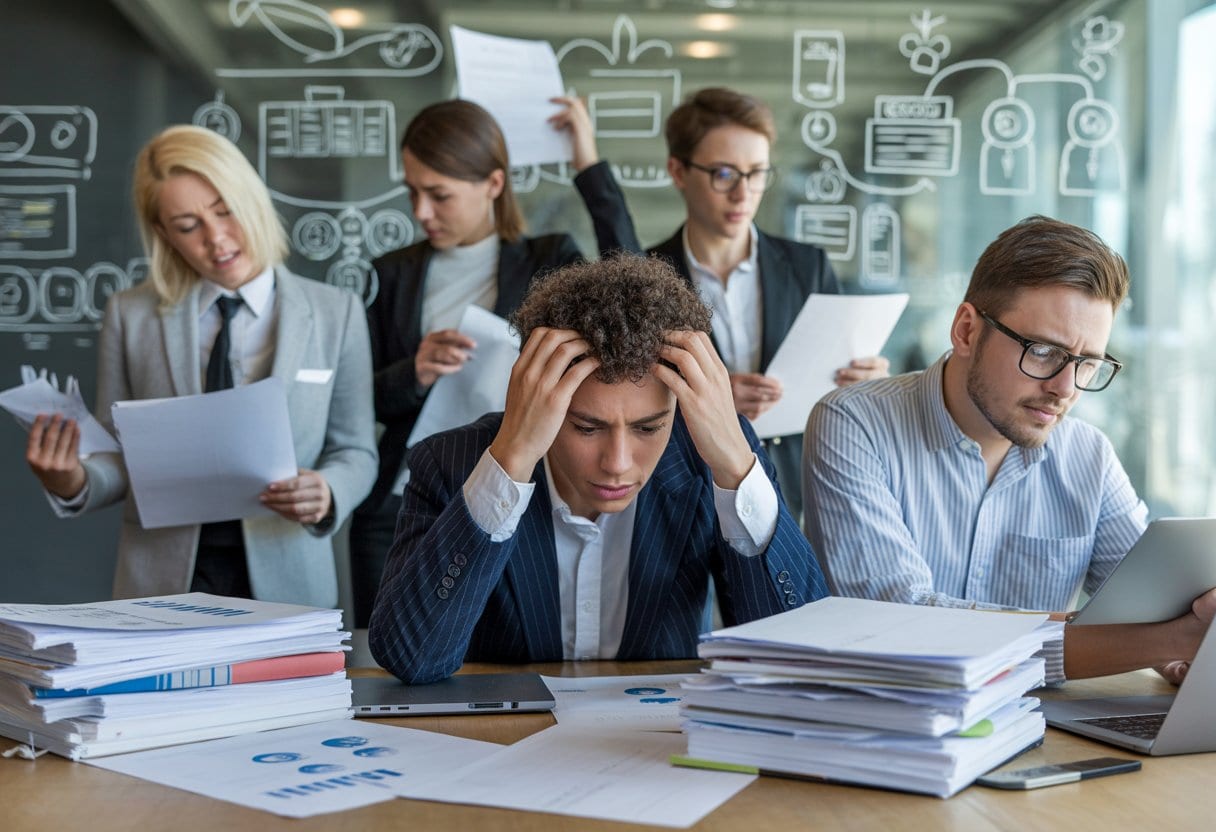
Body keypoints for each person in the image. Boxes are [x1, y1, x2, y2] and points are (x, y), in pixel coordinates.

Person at [369, 255, 827, 684]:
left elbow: (800, 656)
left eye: (649, 428)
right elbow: (414, 659)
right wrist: (510, 459)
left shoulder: (714, 459)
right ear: (537, 403)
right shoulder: (452, 466)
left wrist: (734, 467)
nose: (618, 463)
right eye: (587, 428)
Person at [804, 215, 1216, 684]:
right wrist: (1165, 641)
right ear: (965, 331)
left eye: (1087, 364)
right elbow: (901, 625)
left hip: (1043, 736)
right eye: (1042, 351)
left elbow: (1160, 610)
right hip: (887, 732)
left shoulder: (1088, 457)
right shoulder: (854, 424)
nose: (1065, 389)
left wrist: (1183, 653)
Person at [24, 125, 377, 607]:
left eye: (225, 211)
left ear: (251, 199)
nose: (217, 239)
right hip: (162, 579)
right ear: (165, 235)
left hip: (287, 570)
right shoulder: (132, 315)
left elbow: (357, 450)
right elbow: (121, 457)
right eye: (188, 226)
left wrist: (328, 490)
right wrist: (70, 480)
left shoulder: (337, 311)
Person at [349, 97, 640, 627]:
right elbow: (356, 399)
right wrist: (413, 371)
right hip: (399, 499)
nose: (421, 213)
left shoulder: (548, 259)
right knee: (388, 650)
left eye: (439, 195)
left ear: (494, 184)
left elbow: (634, 284)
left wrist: (588, 166)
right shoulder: (391, 273)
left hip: (514, 495)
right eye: (412, 192)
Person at [647, 87, 889, 514]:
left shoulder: (806, 266)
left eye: (756, 173)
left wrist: (867, 384)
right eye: (725, 174)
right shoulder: (646, 275)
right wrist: (711, 402)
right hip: (683, 498)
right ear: (678, 172)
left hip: (794, 493)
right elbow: (627, 396)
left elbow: (840, 382)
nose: (744, 194)